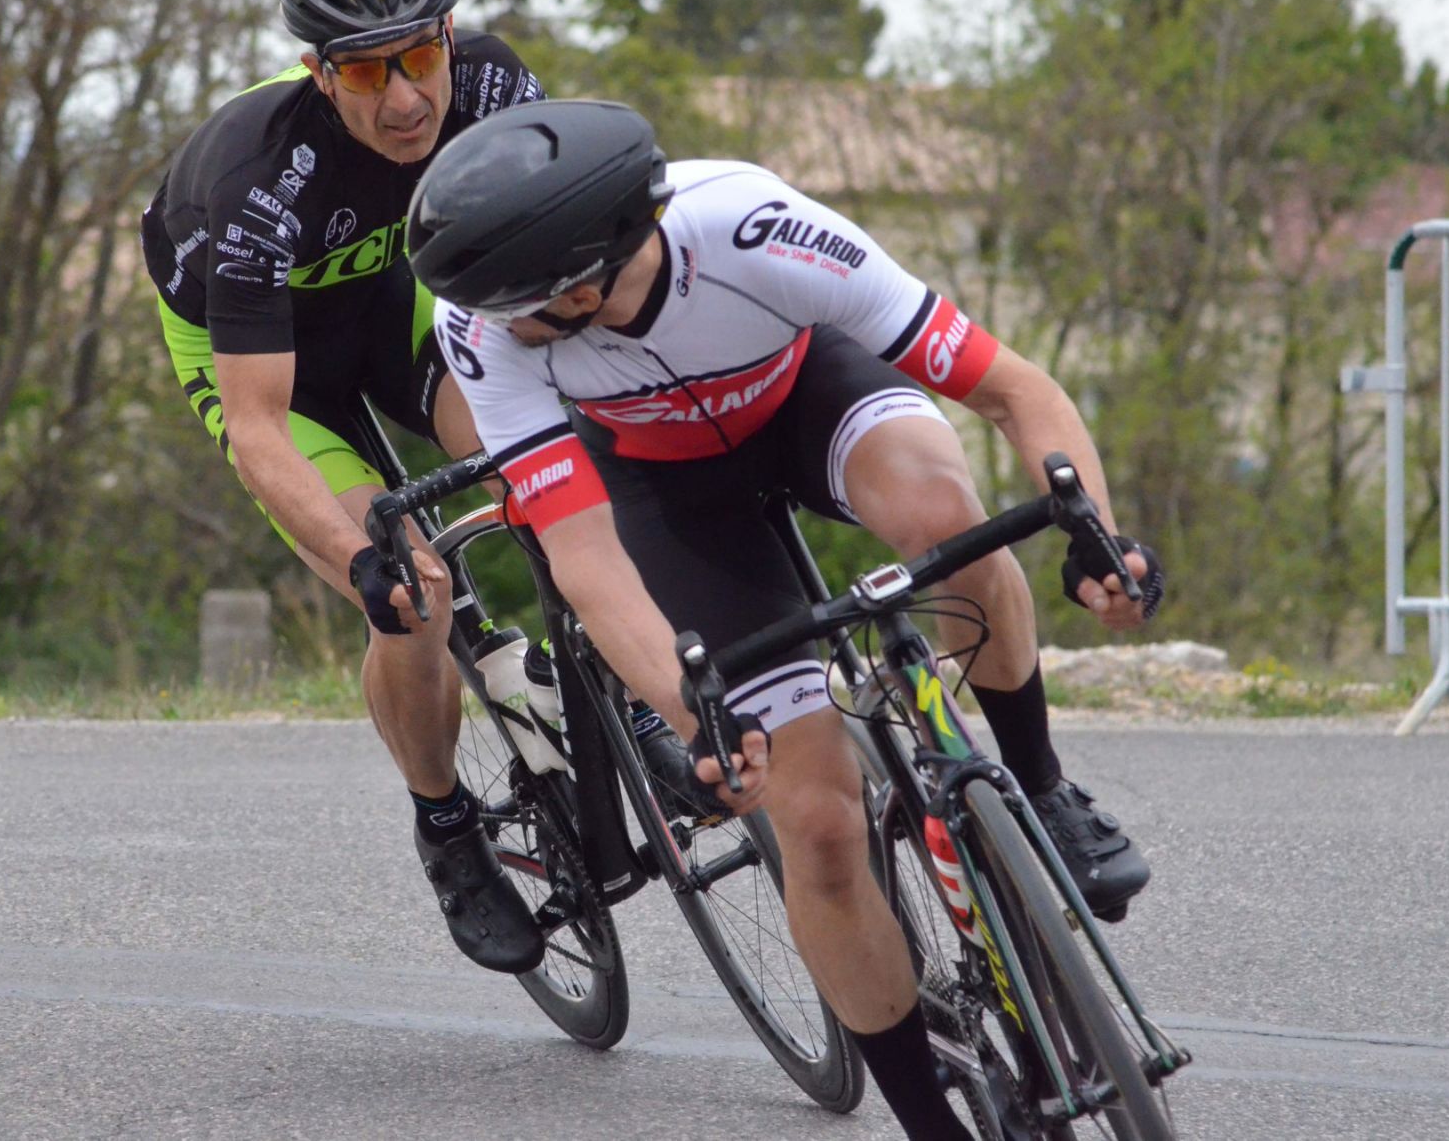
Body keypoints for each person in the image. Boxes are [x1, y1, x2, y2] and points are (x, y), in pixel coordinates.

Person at [409, 99, 1166, 1141]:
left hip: (809, 397)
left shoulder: (752, 227)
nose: (491, 329)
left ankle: (1038, 785)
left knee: (950, 523)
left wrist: (1098, 538)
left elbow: (1010, 390)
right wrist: (694, 714)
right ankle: (928, 1120)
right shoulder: (482, 331)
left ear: (582, 286)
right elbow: (588, 560)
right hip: (669, 492)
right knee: (815, 823)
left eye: (514, 311)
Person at [140, 0, 618, 976]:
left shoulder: (493, 85)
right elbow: (258, 426)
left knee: (556, 468)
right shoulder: (258, 179)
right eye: (365, 71)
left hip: (389, 306)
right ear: (320, 73)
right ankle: (445, 825)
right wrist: (363, 560)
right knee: (413, 596)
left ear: (449, 36)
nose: (404, 99)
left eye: (419, 58)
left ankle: (614, 688)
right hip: (265, 368)